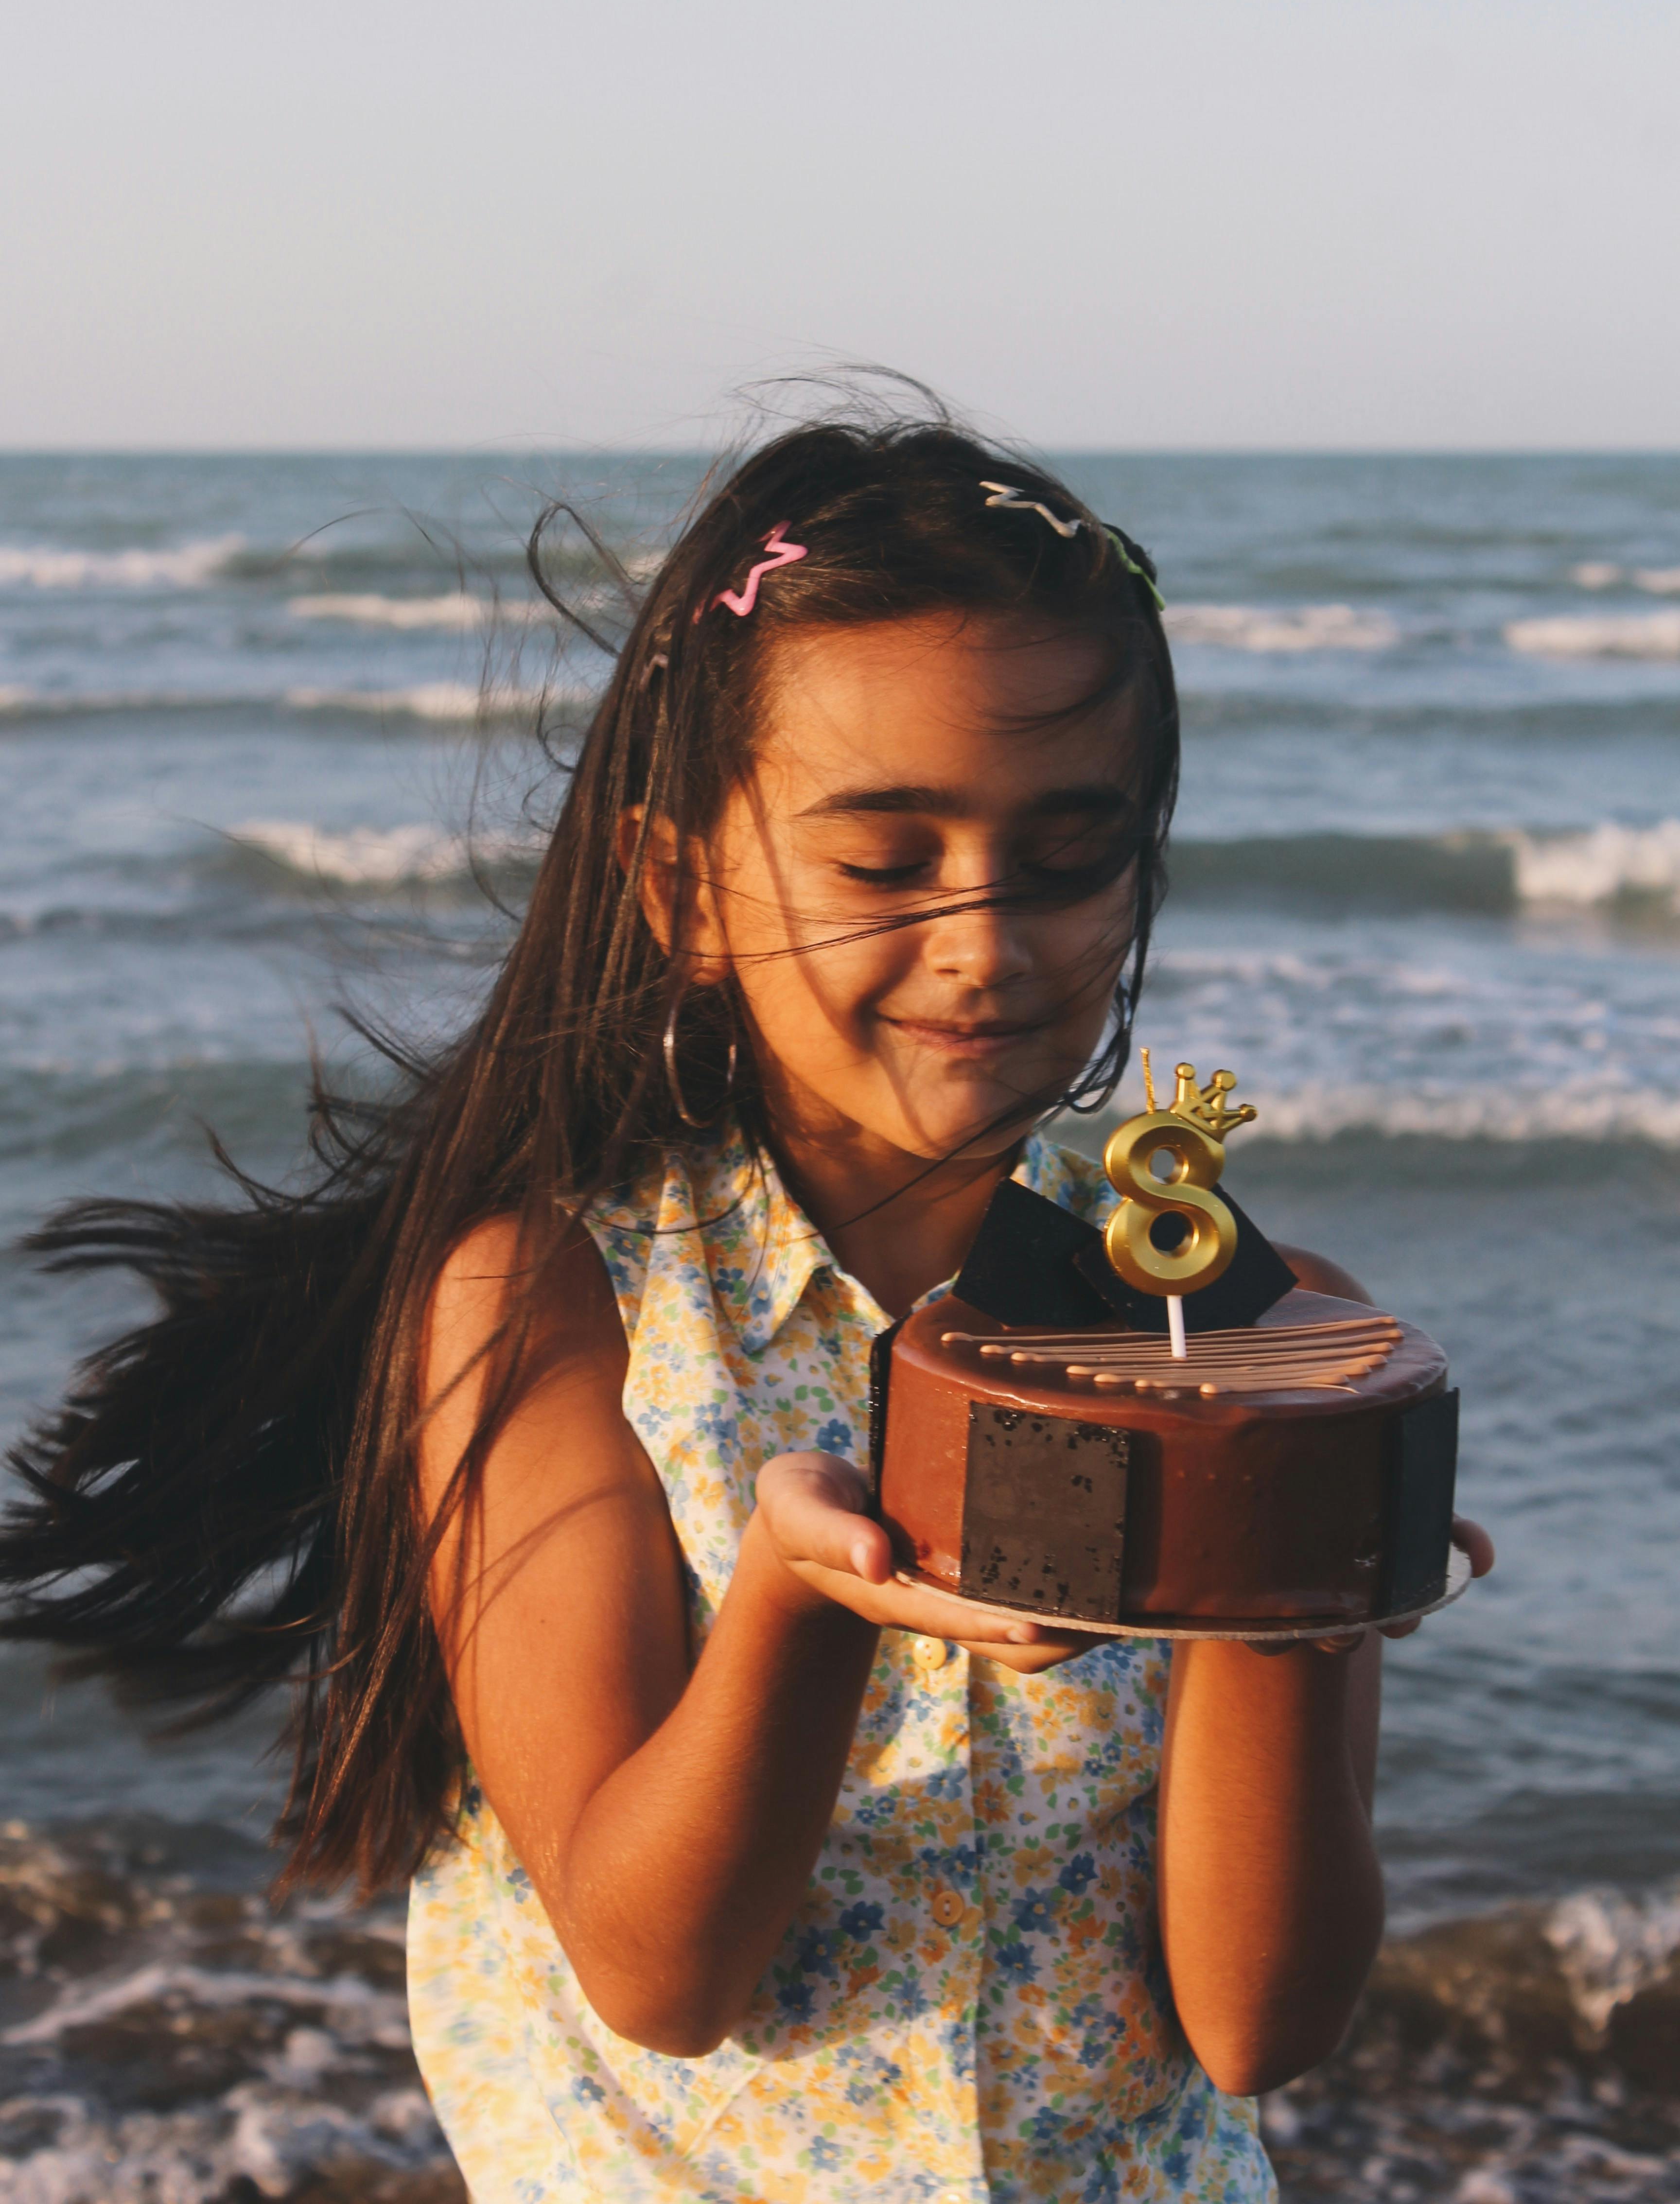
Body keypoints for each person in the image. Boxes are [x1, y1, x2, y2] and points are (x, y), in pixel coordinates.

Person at [0, 409, 1491, 2203]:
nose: (987, 938)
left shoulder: (1248, 1337)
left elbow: (1259, 2026)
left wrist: (1288, 1583)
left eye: (1070, 853)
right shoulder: (556, 1303)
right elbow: (661, 1973)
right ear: (679, 881)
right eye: (885, 861)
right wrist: (804, 1595)